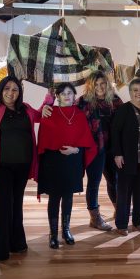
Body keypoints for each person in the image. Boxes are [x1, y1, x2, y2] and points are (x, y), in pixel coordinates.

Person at [43, 71, 122, 231]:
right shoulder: (83, 101)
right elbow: (66, 110)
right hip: (93, 148)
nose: (100, 87)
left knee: (114, 180)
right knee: (94, 182)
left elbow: (125, 118)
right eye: (96, 84)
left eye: (102, 83)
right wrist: (47, 105)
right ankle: (95, 217)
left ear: (107, 84)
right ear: (90, 86)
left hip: (112, 148)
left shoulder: (115, 100)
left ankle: (119, 209)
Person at [0, 76, 42, 262]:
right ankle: (2, 248)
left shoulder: (25, 108)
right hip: (0, 166)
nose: (10, 93)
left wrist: (49, 99)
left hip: (22, 165)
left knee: (16, 203)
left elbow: (40, 116)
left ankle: (18, 243)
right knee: (3, 204)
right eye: (7, 88)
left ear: (19, 93)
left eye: (15, 89)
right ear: (0, 89)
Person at [37, 83, 97, 248]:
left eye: (70, 93)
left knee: (68, 196)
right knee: (54, 197)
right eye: (63, 93)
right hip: (53, 161)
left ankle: (66, 230)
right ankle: (53, 233)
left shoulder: (79, 115)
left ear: (74, 96)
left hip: (73, 160)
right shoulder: (50, 112)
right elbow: (43, 138)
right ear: (57, 96)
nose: (67, 96)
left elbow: (85, 141)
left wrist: (75, 149)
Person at [110, 78, 140, 235]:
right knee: (124, 192)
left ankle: (137, 221)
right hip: (127, 159)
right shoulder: (123, 110)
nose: (139, 93)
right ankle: (122, 224)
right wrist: (117, 154)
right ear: (130, 92)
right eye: (135, 90)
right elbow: (115, 132)